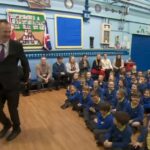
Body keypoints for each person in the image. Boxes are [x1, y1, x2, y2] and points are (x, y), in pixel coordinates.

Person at [0, 20, 30, 141]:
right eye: (4, 31)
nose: (7, 34)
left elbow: (24, 63)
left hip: (13, 84)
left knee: (13, 109)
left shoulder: (17, 45)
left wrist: (25, 79)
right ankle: (7, 124)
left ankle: (16, 128)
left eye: (9, 31)